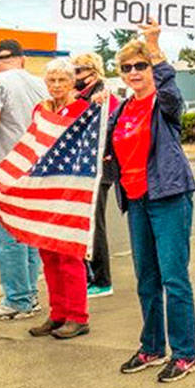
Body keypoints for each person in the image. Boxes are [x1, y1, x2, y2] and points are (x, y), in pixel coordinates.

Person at [108, 21, 195, 382]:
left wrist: (153, 44)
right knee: (146, 278)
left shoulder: (163, 105)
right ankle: (151, 345)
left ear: (151, 69)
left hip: (168, 195)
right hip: (136, 200)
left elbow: (171, 90)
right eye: (127, 67)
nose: (134, 72)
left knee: (174, 277)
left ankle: (184, 353)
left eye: (140, 66)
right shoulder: (121, 110)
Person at [0, 39, 48, 321]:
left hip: (5, 168)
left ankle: (16, 299)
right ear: (23, 59)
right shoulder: (40, 85)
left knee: (8, 239)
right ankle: (30, 295)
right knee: (29, 237)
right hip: (35, 166)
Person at [23, 58, 93, 339]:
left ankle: (78, 315)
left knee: (68, 255)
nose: (56, 86)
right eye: (51, 80)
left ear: (72, 82)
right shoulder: (40, 110)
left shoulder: (82, 110)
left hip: (69, 189)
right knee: (48, 254)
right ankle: (58, 312)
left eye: (62, 80)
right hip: (44, 187)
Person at [71, 51, 118, 298]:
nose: (74, 75)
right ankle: (88, 275)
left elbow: (109, 127)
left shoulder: (103, 96)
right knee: (84, 222)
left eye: (79, 70)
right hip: (83, 166)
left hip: (99, 167)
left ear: (92, 71)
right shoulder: (81, 96)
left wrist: (107, 152)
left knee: (93, 223)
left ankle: (101, 279)